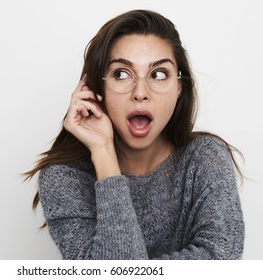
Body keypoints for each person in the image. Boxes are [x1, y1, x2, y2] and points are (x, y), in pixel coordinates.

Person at [24, 9, 244, 259]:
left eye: (159, 74)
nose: (140, 92)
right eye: (121, 74)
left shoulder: (205, 159)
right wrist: (103, 152)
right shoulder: (64, 177)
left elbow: (222, 262)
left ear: (179, 88)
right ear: (99, 88)